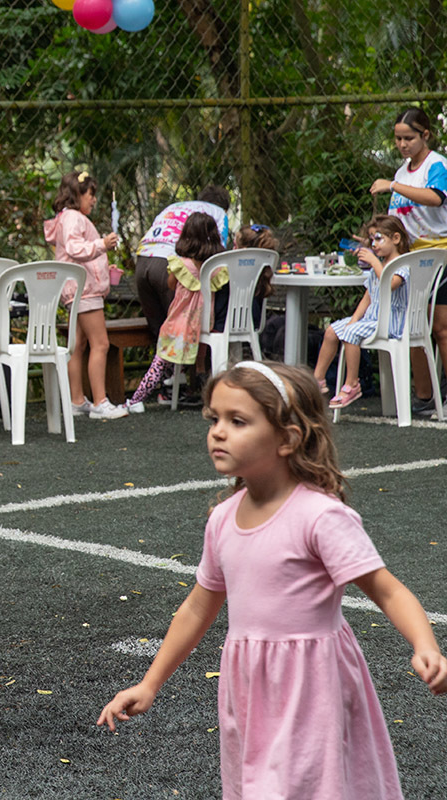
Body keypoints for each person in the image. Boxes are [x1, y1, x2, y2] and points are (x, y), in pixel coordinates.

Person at [98, 361, 447, 799]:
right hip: (249, 686)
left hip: (312, 683)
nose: (218, 432)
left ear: (287, 438)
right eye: (214, 419)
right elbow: (198, 606)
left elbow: (387, 589)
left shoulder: (320, 517)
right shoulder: (222, 519)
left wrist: (426, 646)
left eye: (237, 421)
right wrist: (150, 683)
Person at [368, 107, 447, 414]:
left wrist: (393, 186)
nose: (402, 145)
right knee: (411, 324)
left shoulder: (436, 164)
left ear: (425, 135)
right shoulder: (402, 171)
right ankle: (425, 397)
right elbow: (395, 219)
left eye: (409, 138)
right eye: (398, 139)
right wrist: (376, 238)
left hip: (438, 254)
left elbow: (436, 197)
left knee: (441, 327)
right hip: (411, 257)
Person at [43, 170, 128, 419]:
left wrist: (104, 265)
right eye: (90, 195)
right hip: (85, 291)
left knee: (78, 345)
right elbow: (74, 248)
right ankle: (101, 402)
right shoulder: (73, 218)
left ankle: (76, 400)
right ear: (76, 194)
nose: (94, 200)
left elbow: (75, 254)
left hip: (78, 290)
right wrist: (103, 244)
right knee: (100, 343)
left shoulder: (68, 218)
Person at [123, 213, 226, 413]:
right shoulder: (215, 268)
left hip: (181, 324)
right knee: (201, 364)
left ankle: (136, 399)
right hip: (205, 323)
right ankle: (210, 399)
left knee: (160, 361)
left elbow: (171, 284)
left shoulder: (182, 264)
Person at [312, 215, 410, 409]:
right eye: (372, 239)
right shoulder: (379, 266)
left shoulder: (402, 265)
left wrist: (374, 262)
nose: (374, 244)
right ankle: (317, 381)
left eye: (379, 238)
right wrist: (354, 320)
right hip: (372, 320)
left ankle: (352, 384)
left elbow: (389, 284)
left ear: (396, 239)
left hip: (391, 322)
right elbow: (368, 297)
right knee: (332, 331)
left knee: (350, 334)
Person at [135, 185, 232, 341]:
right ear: (225, 208)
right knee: (181, 332)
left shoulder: (174, 207)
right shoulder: (218, 213)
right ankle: (193, 366)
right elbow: (218, 254)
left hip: (143, 259)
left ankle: (160, 365)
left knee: (160, 332)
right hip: (169, 264)